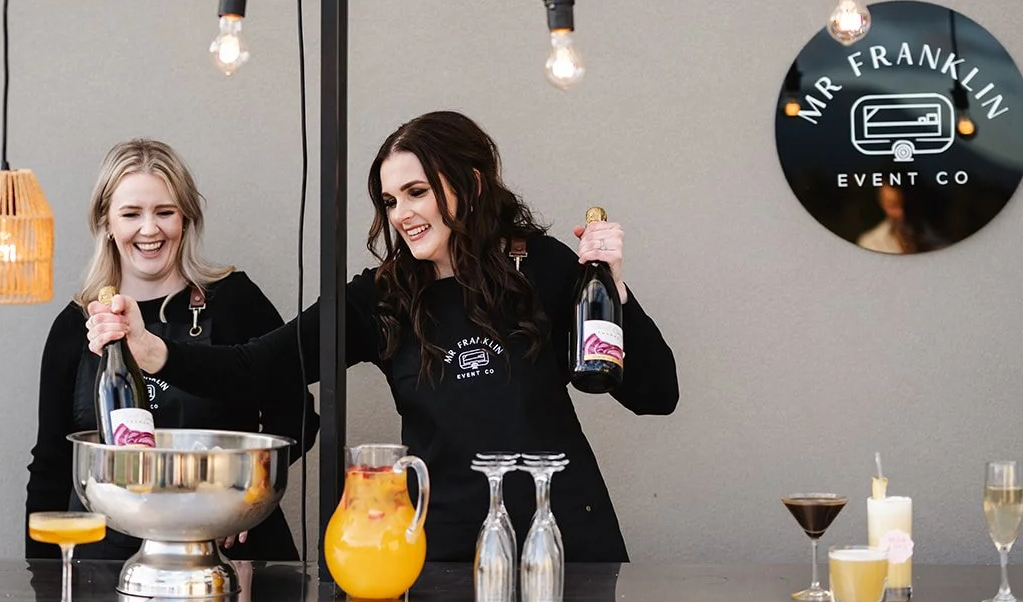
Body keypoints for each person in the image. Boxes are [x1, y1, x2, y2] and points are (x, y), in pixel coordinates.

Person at [88, 112, 678, 563]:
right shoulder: (380, 297)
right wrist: (153, 351)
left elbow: (656, 393)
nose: (400, 214)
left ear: (470, 184)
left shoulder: (543, 266)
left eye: (417, 192)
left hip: (569, 543)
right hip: (444, 556)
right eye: (391, 200)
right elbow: (259, 367)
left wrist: (617, 291)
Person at [25, 138, 316, 562]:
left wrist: (245, 499)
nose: (149, 229)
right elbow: (50, 464)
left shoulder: (235, 301)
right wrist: (41, 582)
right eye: (131, 214)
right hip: (104, 559)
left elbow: (298, 416)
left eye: (164, 212)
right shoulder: (75, 325)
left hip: (229, 554)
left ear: (186, 218)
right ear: (105, 222)